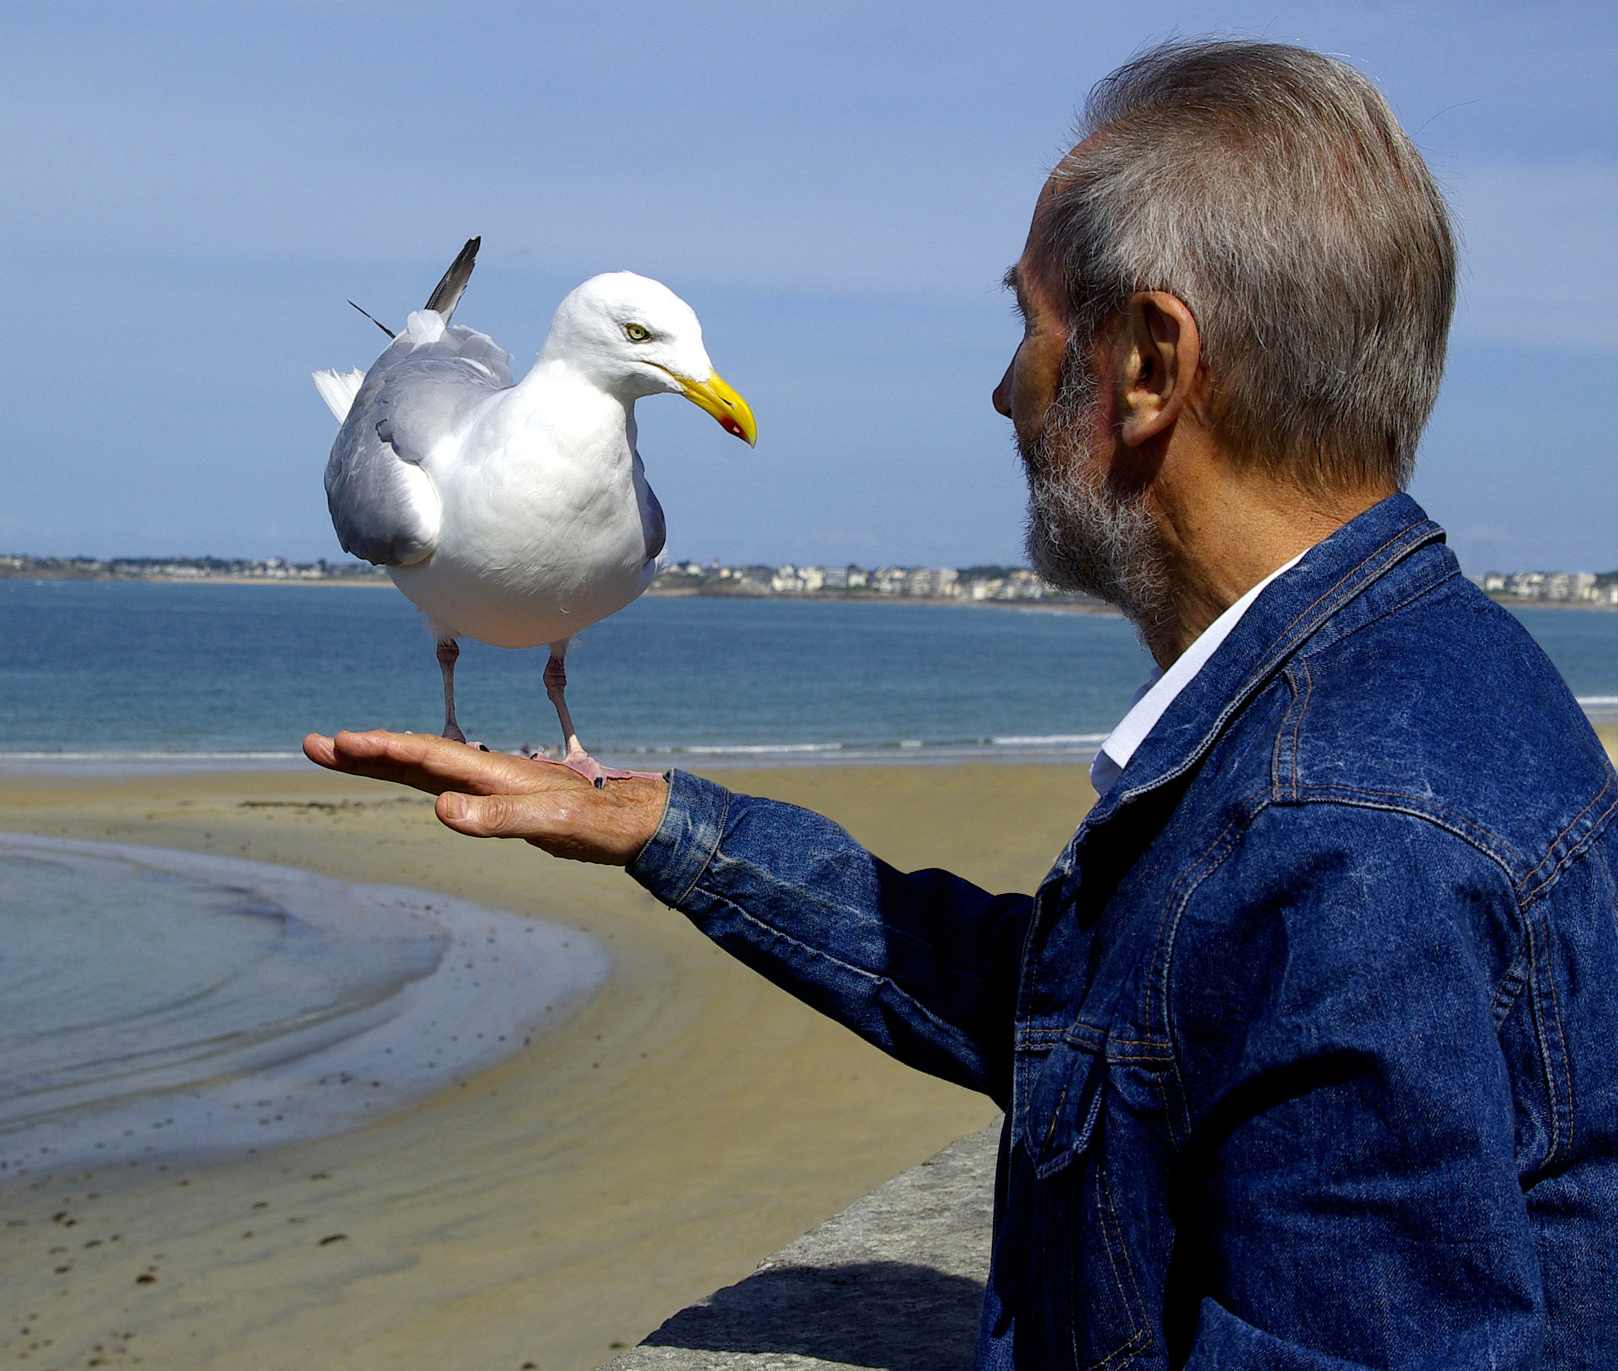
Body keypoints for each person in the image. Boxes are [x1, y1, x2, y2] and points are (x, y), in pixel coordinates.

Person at [306, 40, 1618, 1370]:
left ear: (1151, 366)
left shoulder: (1342, 841)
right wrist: (675, 833)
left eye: (1030, 325)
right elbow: (1113, 1023)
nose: (1003, 391)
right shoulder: (1426, 682)